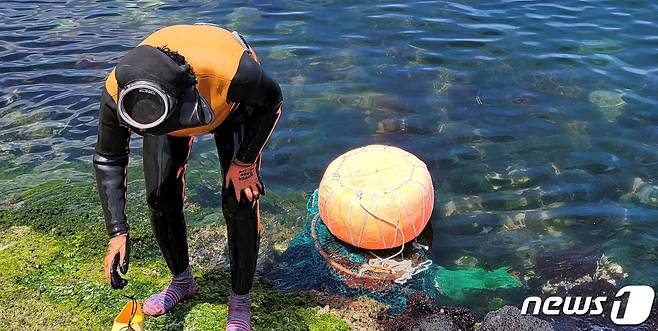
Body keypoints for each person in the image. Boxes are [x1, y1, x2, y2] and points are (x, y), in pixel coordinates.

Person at [94, 24, 282, 331]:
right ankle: (181, 281)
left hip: (233, 109)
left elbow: (272, 101)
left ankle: (240, 301)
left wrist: (245, 162)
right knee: (159, 197)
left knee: (239, 199)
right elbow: (108, 158)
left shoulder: (235, 73)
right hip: (162, 109)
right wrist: (117, 230)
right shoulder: (120, 93)